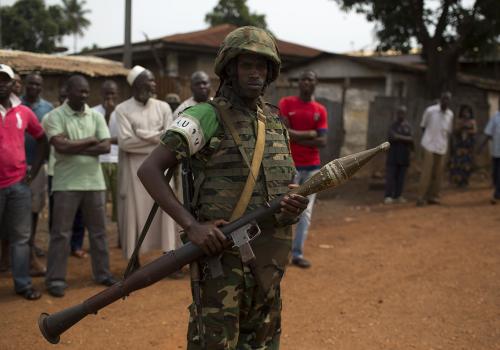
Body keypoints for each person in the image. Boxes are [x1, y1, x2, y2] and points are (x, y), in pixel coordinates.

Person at [138, 26, 309, 349]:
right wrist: (192, 225)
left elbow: (286, 181)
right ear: (230, 68)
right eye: (247, 65)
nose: (256, 73)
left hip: (268, 261)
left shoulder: (274, 122)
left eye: (262, 66)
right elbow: (149, 170)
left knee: (262, 343)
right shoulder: (205, 115)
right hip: (222, 264)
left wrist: (292, 202)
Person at [43, 75, 117, 298]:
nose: (84, 95)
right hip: (66, 184)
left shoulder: (95, 116)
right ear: (68, 91)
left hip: (94, 183)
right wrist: (90, 141)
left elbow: (105, 147)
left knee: (99, 232)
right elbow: (60, 146)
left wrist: (73, 145)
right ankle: (55, 279)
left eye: (87, 92)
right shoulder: (53, 116)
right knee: (61, 233)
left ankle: (102, 274)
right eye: (80, 91)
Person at [115, 66, 176, 261]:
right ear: (137, 85)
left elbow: (170, 139)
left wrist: (142, 136)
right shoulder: (122, 109)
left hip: (162, 168)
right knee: (134, 216)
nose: (153, 84)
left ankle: (169, 256)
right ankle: (134, 259)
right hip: (134, 172)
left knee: (166, 210)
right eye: (149, 81)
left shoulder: (163, 107)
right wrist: (157, 138)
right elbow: (125, 143)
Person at [0, 64, 48, 300]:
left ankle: (22, 284)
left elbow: (41, 139)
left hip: (19, 184)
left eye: (4, 80)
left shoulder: (24, 112)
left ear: (12, 84)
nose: (1, 84)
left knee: (20, 238)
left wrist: (34, 170)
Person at [279, 70, 328, 269]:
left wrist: (295, 135)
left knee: (305, 213)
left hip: (313, 168)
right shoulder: (286, 103)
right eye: (304, 79)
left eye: (311, 79)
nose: (307, 82)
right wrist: (310, 133)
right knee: (282, 209)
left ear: (316, 84)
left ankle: (297, 254)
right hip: (290, 166)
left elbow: (323, 141)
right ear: (298, 83)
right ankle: (279, 253)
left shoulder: (320, 110)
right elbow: (283, 133)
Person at [21, 72, 54, 276]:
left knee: (33, 212)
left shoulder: (47, 108)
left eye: (38, 84)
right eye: (31, 83)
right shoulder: (15, 104)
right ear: (25, 84)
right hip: (12, 168)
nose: (34, 87)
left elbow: (47, 140)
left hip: (37, 167)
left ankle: (30, 251)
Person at [416, 92, 454, 206]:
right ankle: (421, 197)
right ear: (440, 99)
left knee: (438, 173)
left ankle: (433, 196)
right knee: (426, 172)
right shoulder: (430, 111)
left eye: (448, 99)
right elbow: (423, 126)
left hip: (442, 147)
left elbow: (448, 132)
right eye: (444, 99)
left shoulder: (450, 114)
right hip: (429, 145)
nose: (446, 101)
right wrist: (429, 138)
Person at [93, 80, 120, 227]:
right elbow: (92, 137)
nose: (109, 96)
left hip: (119, 161)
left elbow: (126, 138)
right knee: (100, 202)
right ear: (101, 94)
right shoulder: (93, 112)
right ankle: (101, 233)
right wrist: (108, 114)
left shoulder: (122, 112)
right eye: (106, 93)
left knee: (120, 202)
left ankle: (122, 239)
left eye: (112, 93)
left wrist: (105, 140)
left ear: (117, 94)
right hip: (99, 161)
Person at [384, 106, 414, 204]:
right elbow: (392, 137)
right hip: (393, 156)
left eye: (403, 113)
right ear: (397, 114)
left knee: (401, 178)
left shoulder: (408, 126)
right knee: (391, 177)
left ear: (405, 114)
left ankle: (398, 195)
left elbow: (411, 140)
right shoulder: (392, 125)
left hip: (404, 157)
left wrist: (399, 137)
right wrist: (405, 138)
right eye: (399, 113)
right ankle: (388, 196)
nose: (401, 115)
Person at [478, 99, 500, 204]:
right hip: (496, 152)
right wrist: (480, 146)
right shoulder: (495, 117)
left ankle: (496, 195)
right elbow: (488, 134)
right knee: (495, 175)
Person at [449, 104, 477, 187]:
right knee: (458, 163)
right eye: (464, 112)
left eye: (468, 112)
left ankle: (465, 180)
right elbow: (455, 131)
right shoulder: (459, 121)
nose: (466, 113)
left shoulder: (472, 121)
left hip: (468, 145)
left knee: (467, 163)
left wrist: (467, 130)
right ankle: (458, 181)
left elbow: (475, 131)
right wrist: (461, 127)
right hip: (460, 145)